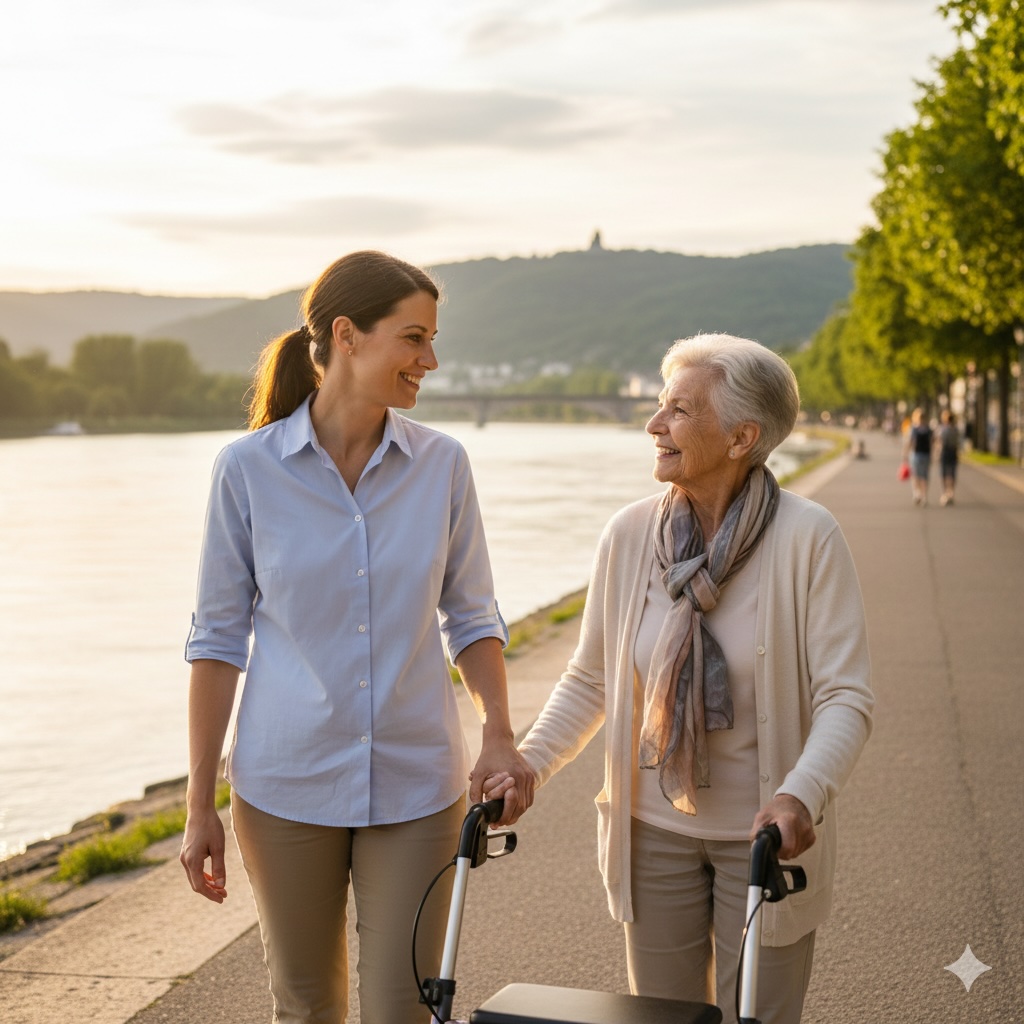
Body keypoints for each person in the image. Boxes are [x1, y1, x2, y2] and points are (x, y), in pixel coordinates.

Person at [179, 251, 534, 1024]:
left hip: (417, 782)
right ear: (346, 334)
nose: (430, 360)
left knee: (404, 1008)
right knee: (306, 1006)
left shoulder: (442, 464)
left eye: (432, 340)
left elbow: (472, 615)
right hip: (285, 783)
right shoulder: (246, 470)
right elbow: (217, 640)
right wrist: (199, 803)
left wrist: (499, 735)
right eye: (414, 338)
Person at [496, 334, 873, 1024]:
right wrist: (528, 764)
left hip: (764, 839)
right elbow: (592, 679)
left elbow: (845, 698)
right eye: (660, 406)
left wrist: (800, 795)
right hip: (651, 831)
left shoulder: (808, 538)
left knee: (758, 1015)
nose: (654, 424)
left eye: (678, 410)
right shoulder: (628, 535)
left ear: (741, 437)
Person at [903, 408, 933, 506]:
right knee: (924, 476)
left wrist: (905, 454)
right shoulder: (928, 429)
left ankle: (917, 493)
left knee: (915, 476)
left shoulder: (913, 429)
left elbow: (909, 442)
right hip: (926, 455)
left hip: (916, 455)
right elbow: (931, 443)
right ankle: (924, 496)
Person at [938, 410, 961, 506]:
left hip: (945, 452)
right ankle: (951, 493)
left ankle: (945, 493)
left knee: (944, 474)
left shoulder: (943, 430)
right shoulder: (956, 430)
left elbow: (941, 442)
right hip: (953, 452)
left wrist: (937, 453)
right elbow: (958, 442)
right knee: (952, 473)